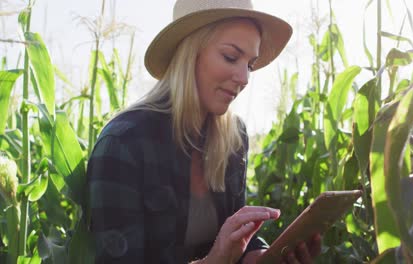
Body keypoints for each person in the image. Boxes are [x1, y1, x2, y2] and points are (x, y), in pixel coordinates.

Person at [86, 0, 321, 263]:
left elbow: (238, 238)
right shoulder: (124, 143)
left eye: (250, 65)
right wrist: (215, 260)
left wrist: (264, 255)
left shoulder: (233, 136)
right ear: (189, 53)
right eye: (231, 57)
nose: (244, 78)